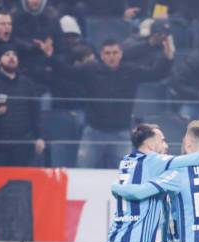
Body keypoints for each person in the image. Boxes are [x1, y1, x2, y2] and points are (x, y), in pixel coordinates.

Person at [40, 38, 174, 169]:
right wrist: (49, 57)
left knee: (126, 175)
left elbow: (155, 74)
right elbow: (67, 72)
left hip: (120, 134)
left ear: (120, 54)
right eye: (108, 53)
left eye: (115, 53)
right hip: (93, 132)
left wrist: (168, 58)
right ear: (102, 55)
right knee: (83, 172)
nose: (112, 57)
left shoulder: (131, 70)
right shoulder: (90, 69)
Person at [0, 44, 44, 166]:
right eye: (7, 54)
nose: (12, 57)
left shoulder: (27, 83)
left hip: (21, 147)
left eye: (14, 55)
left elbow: (36, 113)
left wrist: (40, 137)